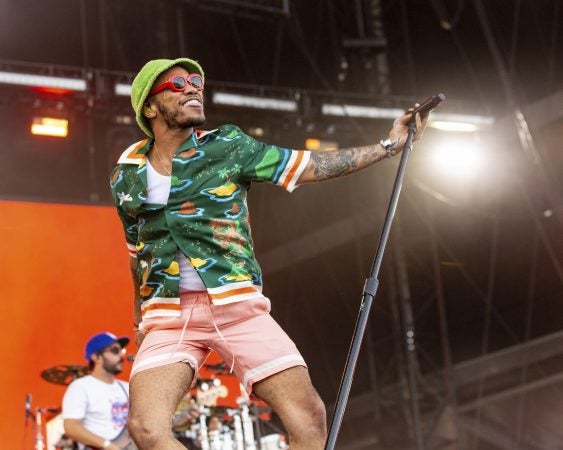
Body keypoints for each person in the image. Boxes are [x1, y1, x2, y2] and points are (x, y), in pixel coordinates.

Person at [109, 57, 428, 450]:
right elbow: (135, 252)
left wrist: (388, 146)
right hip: (168, 317)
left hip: (235, 305)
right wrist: (140, 323)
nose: (193, 87)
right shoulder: (127, 171)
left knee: (309, 420)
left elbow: (310, 165)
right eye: (178, 84)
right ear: (150, 106)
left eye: (197, 81)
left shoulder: (228, 146)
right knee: (146, 428)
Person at [62, 332, 131, 450]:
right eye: (115, 351)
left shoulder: (126, 387)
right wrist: (107, 445)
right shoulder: (80, 387)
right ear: (96, 357)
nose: (121, 356)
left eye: (122, 351)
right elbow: (71, 427)